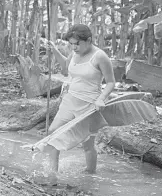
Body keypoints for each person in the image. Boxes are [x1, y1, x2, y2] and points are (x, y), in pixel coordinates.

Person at [45, 24, 115, 174]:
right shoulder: (74, 53)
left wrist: (102, 98)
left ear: (88, 40)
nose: (74, 47)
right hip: (70, 99)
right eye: (71, 44)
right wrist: (54, 50)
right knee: (53, 132)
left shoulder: (100, 56)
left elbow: (110, 82)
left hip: (89, 104)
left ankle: (90, 174)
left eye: (77, 44)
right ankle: (52, 175)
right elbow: (65, 66)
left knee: (87, 145)